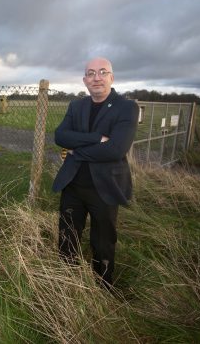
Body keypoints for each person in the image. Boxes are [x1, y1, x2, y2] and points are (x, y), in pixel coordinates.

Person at [52, 57, 139, 288]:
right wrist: (95, 139)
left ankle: (103, 286)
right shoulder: (76, 106)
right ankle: (66, 283)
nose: (96, 77)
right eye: (90, 73)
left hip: (105, 187)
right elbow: (60, 136)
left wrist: (75, 151)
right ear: (84, 80)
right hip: (73, 184)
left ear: (112, 77)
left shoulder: (127, 107)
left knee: (102, 241)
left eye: (102, 72)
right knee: (67, 236)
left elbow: (116, 149)